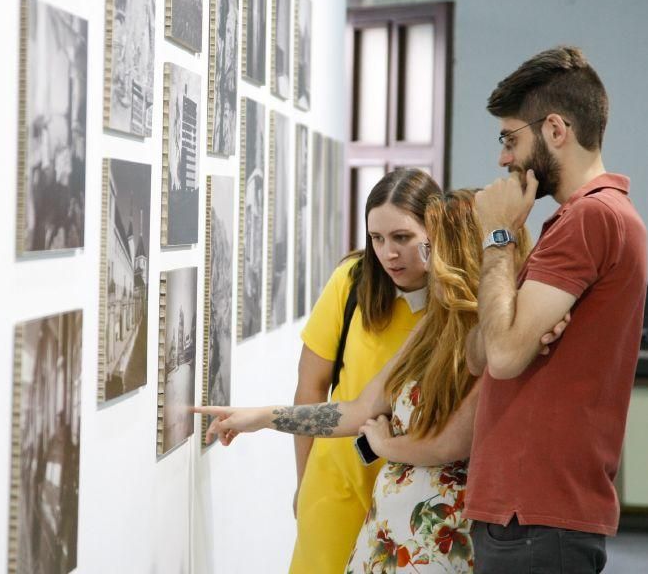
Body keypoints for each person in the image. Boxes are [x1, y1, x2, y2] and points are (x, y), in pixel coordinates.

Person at [196, 190, 539, 573]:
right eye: (378, 239)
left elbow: (450, 443)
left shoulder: (493, 335)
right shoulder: (433, 326)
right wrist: (261, 417)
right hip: (390, 533)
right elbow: (360, 408)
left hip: (438, 539)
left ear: (458, 254)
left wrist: (384, 444)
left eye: (430, 246)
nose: (419, 259)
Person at [465, 46, 647, 573]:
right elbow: (481, 350)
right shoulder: (575, 221)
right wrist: (512, 326)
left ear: (555, 130)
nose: (503, 158)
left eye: (509, 138)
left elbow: (498, 353)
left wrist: (497, 236)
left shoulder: (591, 217)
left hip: (538, 519)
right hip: (526, 517)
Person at [290, 168, 439, 573]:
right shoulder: (351, 282)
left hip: (415, 489)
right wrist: (303, 481)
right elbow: (311, 386)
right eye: (377, 238)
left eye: (402, 238)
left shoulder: (457, 300)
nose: (388, 253)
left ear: (434, 229)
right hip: (337, 480)